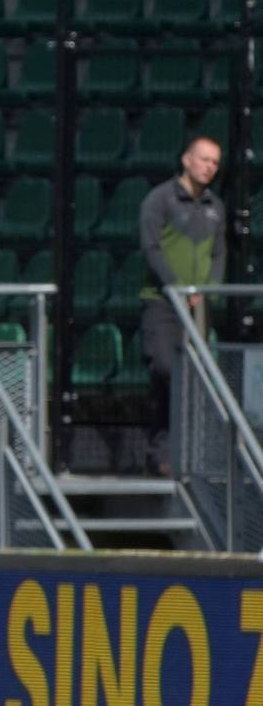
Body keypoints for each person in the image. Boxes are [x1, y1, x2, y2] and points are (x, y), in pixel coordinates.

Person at [140, 135, 225, 477]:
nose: (210, 167)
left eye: (215, 162)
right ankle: (165, 450)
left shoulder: (215, 207)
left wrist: (209, 291)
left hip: (197, 309)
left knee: (191, 379)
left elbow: (219, 253)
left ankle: (174, 456)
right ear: (186, 160)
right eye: (204, 159)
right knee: (166, 369)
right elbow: (151, 247)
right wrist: (175, 287)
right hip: (162, 303)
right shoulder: (159, 200)